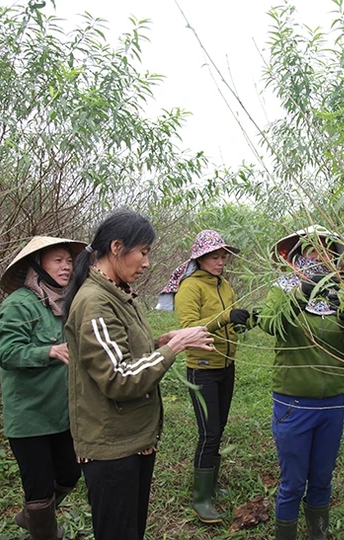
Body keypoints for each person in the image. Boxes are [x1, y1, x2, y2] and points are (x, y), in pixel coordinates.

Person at [63, 210, 215, 540]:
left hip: (132, 438)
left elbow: (128, 350)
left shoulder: (117, 294)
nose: (146, 263)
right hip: (112, 447)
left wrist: (167, 339)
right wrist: (174, 349)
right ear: (117, 247)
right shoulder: (95, 303)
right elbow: (120, 377)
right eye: (143, 252)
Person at [256, 225, 344, 540]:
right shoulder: (282, 288)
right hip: (293, 404)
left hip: (332, 403)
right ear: (300, 253)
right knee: (292, 482)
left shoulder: (340, 293)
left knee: (322, 478)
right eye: (314, 249)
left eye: (328, 250)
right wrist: (301, 293)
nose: (321, 256)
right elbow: (268, 323)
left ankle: (318, 533)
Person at [0, 235, 86, 540]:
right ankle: (45, 530)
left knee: (71, 473)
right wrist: (47, 351)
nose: (66, 266)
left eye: (69, 260)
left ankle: (32, 517)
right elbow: (7, 353)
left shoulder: (66, 302)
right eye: (57, 260)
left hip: (60, 412)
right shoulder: (19, 304)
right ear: (38, 265)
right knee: (39, 488)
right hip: (30, 417)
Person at [172, 229, 254, 523]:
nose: (221, 262)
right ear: (201, 258)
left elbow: (227, 322)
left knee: (218, 427)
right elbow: (189, 328)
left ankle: (212, 485)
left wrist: (242, 321)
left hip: (225, 366)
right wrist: (224, 319)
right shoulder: (190, 288)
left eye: (223, 257)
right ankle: (201, 498)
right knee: (208, 434)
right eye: (215, 256)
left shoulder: (225, 286)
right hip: (202, 368)